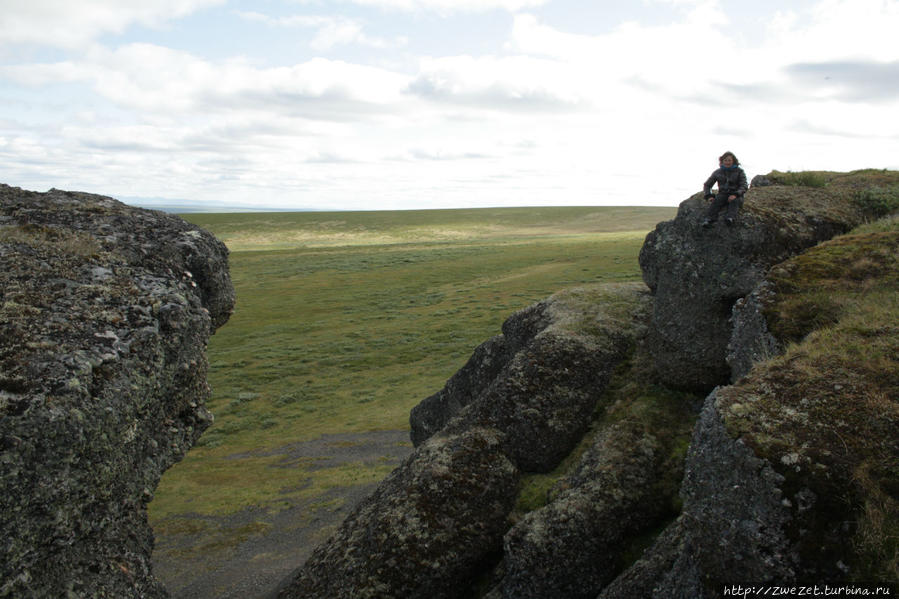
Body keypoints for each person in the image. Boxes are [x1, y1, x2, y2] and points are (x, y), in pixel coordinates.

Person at [702, 151, 748, 227]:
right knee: (716, 201)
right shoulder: (717, 172)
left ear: (733, 161)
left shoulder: (740, 172)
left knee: (734, 202)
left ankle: (730, 218)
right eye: (725, 160)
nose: (727, 162)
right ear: (722, 161)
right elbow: (707, 185)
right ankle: (709, 220)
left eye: (729, 160)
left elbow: (744, 185)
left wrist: (736, 194)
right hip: (723, 194)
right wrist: (709, 195)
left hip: (736, 195)